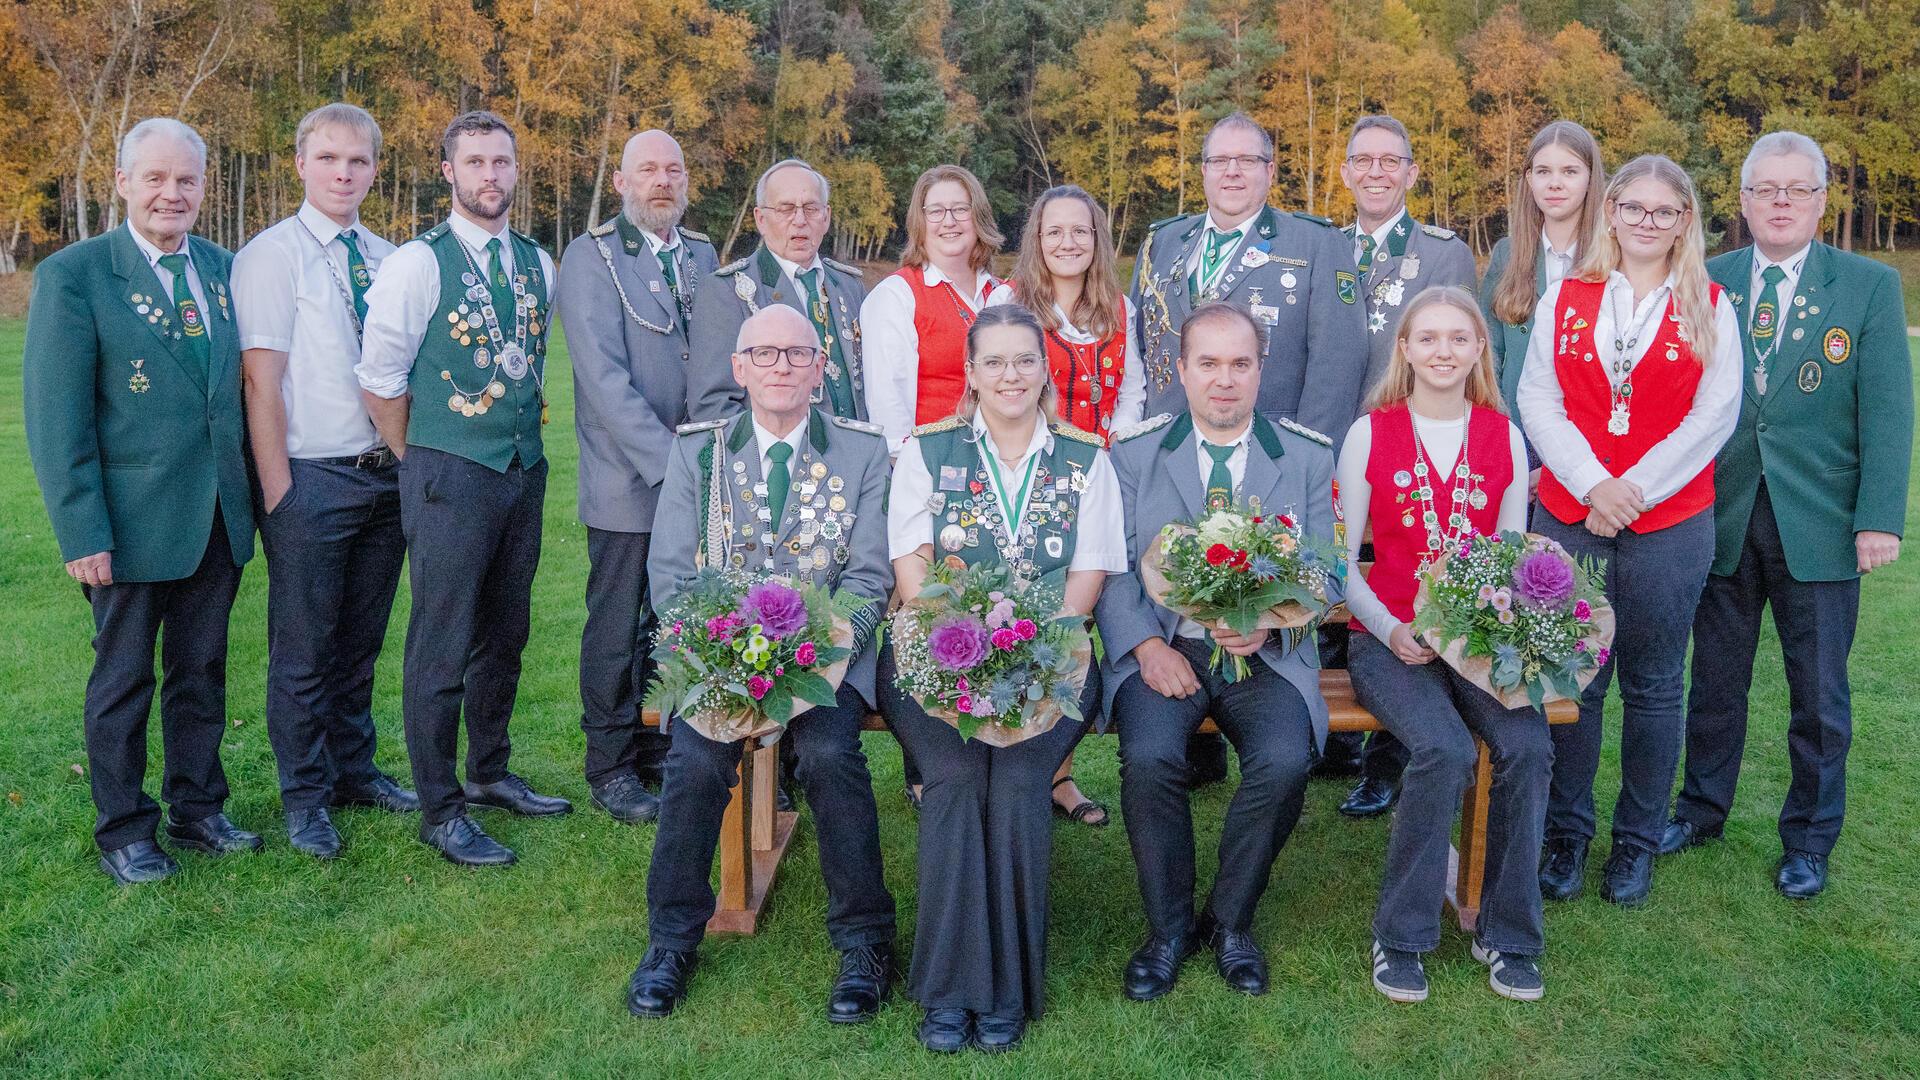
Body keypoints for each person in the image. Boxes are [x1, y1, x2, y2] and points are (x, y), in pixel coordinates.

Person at [626, 306, 898, 1022]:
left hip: (824, 657)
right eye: (764, 354)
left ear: (820, 368)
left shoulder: (864, 453)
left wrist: (816, 653)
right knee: (691, 763)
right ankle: (671, 939)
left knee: (832, 755)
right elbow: (673, 579)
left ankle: (865, 941)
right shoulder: (700, 453)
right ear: (738, 368)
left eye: (797, 353)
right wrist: (723, 657)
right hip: (720, 657)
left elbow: (869, 580)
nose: (781, 365)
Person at [1660, 131, 1911, 899]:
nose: (1780, 202)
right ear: (1741, 201)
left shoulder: (1868, 286)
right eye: (1765, 189)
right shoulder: (1706, 277)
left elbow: (1890, 410)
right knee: (1715, 685)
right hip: (1723, 512)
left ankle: (1808, 839)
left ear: (1821, 201)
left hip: (1823, 523)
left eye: (1796, 190)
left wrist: (1879, 519)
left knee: (1820, 696)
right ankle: (1701, 809)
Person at [880, 304, 1124, 1052]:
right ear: (973, 374)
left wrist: (1030, 646)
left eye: (1026, 360)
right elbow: (911, 566)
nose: (1011, 375)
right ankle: (953, 992)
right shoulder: (929, 451)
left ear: (1044, 369)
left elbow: (1088, 574)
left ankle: (1009, 988)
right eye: (995, 362)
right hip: (934, 655)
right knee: (955, 781)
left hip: (1050, 658)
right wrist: (967, 645)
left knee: (1018, 785)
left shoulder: (1087, 458)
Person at [25, 117, 260, 883]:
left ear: (204, 187)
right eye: (154, 177)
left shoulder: (228, 270)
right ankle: (125, 829)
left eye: (186, 179)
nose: (171, 193)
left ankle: (197, 810)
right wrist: (80, 529)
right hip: (126, 527)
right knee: (123, 680)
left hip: (217, 518)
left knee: (202, 673)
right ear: (122, 182)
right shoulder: (77, 275)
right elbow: (58, 418)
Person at [1097, 303, 1339, 1004]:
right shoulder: (1136, 454)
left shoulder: (1302, 453)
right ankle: (1168, 930)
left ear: (1261, 369)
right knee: (1148, 759)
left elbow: (1325, 570)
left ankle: (1231, 922)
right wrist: (1144, 644)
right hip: (1168, 648)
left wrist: (1271, 621)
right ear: (1182, 370)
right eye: (1209, 363)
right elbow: (1113, 568)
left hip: (1265, 653)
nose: (1225, 380)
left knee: (1286, 760)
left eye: (1241, 363)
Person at [1518, 154, 1741, 907]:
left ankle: (1636, 843)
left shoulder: (1710, 302)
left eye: (1664, 211)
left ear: (1685, 222)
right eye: (1633, 208)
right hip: (1573, 513)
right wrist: (1591, 486)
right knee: (1574, 681)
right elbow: (1538, 396)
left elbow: (1714, 417)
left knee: (1652, 686)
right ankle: (1566, 835)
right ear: (1610, 212)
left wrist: (1633, 491)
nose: (1647, 222)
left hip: (1669, 521)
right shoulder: (1567, 294)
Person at [356, 111, 570, 867]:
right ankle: (440, 810)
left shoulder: (538, 263)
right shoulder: (419, 263)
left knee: (505, 633)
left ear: (516, 171)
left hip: (521, 468)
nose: (490, 176)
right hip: (449, 470)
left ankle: (489, 773)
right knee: (441, 644)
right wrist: (417, 457)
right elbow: (379, 375)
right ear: (448, 171)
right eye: (474, 162)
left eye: (502, 162)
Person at [1130, 110, 1368, 786]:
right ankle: (1192, 746)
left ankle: (1283, 729)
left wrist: (1304, 458)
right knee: (1176, 581)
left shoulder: (1314, 243)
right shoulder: (1165, 242)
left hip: (1271, 463)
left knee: (1263, 600)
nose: (1231, 171)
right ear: (1202, 171)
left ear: (1270, 170)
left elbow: (1338, 359)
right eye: (1218, 161)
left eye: (1247, 160)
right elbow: (1151, 354)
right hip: (1174, 460)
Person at [1338, 287, 1547, 1003]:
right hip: (1389, 637)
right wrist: (1389, 628)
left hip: (1478, 639)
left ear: (1480, 350)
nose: (1443, 351)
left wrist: (1506, 637)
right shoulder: (1372, 432)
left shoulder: (1503, 435)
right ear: (1404, 349)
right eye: (1427, 338)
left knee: (1528, 747)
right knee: (1445, 750)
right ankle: (1400, 935)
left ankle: (1507, 930)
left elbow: (1515, 556)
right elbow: (1342, 561)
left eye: (1459, 338)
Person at [233, 103, 419, 861]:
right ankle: (305, 797)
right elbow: (260, 381)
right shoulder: (273, 255)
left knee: (360, 642)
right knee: (305, 650)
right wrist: (279, 491)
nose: (345, 173)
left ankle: (354, 770)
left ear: (376, 169)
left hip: (382, 480)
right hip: (311, 477)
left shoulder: (388, 256)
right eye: (330, 159)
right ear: (301, 163)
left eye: (360, 161)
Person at [556, 129, 719, 823]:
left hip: (703, 478)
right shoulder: (591, 258)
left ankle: (665, 746)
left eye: (674, 169)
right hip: (630, 479)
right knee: (619, 624)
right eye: (647, 169)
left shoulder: (705, 256)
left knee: (682, 622)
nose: (662, 180)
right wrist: (674, 467)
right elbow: (602, 382)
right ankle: (611, 764)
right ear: (620, 183)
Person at [1330, 114, 1480, 819]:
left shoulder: (1442, 253)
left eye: (1392, 161)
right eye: (1364, 160)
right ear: (1346, 171)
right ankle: (1326, 745)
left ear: (1413, 173)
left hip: (1413, 447)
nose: (1377, 172)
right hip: (1333, 445)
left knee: (1408, 582)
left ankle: (1384, 764)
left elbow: (1456, 350)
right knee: (1333, 580)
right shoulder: (1324, 248)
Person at [992, 182, 1146, 826]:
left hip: (1102, 479)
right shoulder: (1012, 304)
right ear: (1036, 239)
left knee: (1080, 624)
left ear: (1096, 239)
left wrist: (1112, 461)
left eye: (1080, 230)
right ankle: (1005, 758)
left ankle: (1057, 772)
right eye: (1054, 230)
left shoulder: (1118, 307)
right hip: (1033, 479)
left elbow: (1133, 394)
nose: (1067, 241)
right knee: (1031, 613)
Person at [686, 158, 869, 423]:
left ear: (826, 217)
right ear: (760, 219)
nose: (800, 220)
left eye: (811, 208)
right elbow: (713, 406)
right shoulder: (726, 292)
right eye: (785, 209)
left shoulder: (850, 287)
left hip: (858, 456)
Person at [862, 164, 1008, 452]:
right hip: (933, 466)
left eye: (960, 209)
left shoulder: (1005, 294)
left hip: (1007, 464)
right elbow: (888, 406)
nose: (949, 221)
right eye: (936, 211)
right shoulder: (897, 296)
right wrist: (910, 470)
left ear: (978, 216)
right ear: (920, 221)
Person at [1482, 120, 1605, 428]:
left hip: (1589, 433)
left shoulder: (1614, 258)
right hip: (1516, 427)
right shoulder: (1506, 255)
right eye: (1543, 171)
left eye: (1570, 171)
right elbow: (1487, 354)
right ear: (1529, 179)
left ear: (1590, 179)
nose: (1555, 183)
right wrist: (1497, 428)